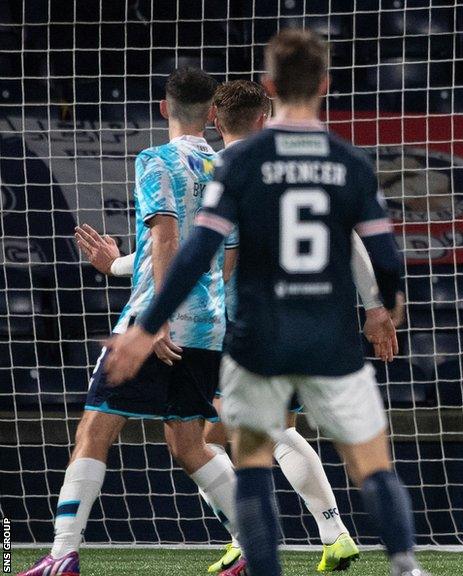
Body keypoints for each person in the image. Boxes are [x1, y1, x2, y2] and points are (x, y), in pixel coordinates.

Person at [104, 29, 429, 576]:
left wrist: (146, 325)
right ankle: (403, 563)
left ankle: (261, 559)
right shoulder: (348, 161)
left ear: (271, 85)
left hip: (254, 332)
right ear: (323, 85)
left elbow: (195, 252)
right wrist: (382, 308)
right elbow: (381, 251)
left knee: (249, 458)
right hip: (327, 334)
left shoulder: (237, 165)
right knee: (371, 461)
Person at [19, 67, 241, 576]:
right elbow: (224, 251)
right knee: (190, 443)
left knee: (95, 428)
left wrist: (158, 319)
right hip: (210, 323)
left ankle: (62, 554)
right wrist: (122, 263)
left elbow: (165, 237)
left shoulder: (156, 159)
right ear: (212, 114)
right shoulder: (226, 168)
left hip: (153, 321)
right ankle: (255, 543)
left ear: (164, 108)